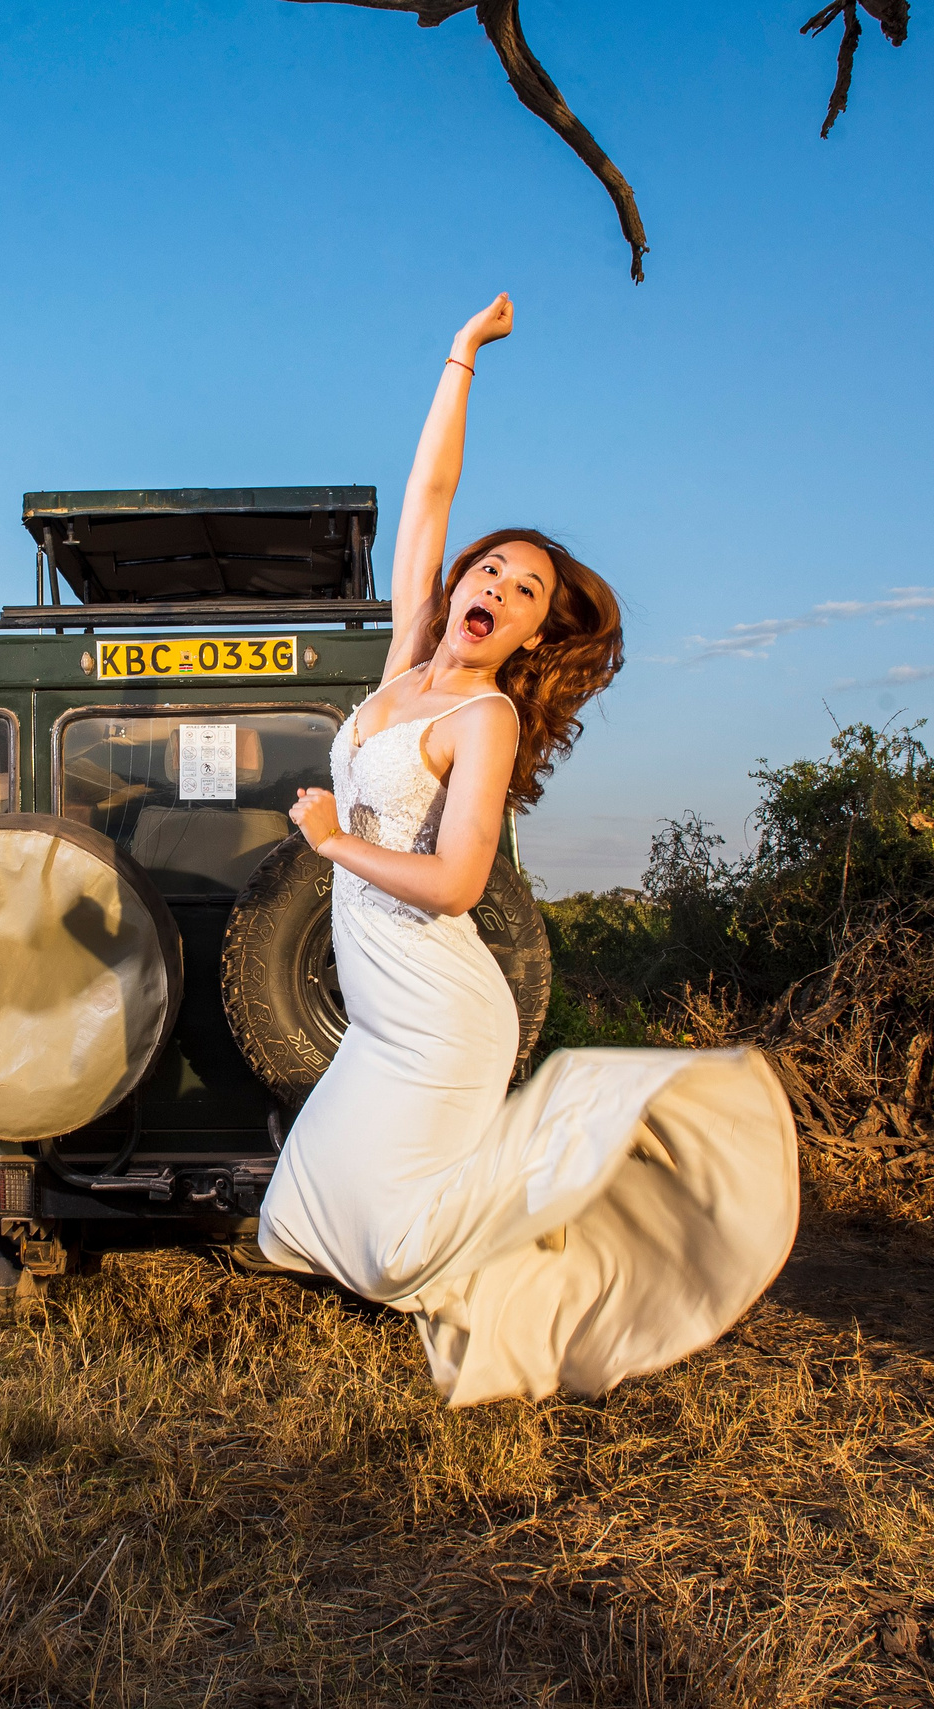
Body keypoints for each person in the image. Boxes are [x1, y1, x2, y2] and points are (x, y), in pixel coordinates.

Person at [257, 294, 800, 1406]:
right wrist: (459, 357)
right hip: (378, 1009)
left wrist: (330, 841)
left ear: (537, 632)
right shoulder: (405, 667)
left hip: (442, 1014)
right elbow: (426, 501)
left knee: (398, 1232)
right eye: (487, 570)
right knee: (311, 1198)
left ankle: (573, 1290)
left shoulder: (484, 720)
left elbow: (457, 885)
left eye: (524, 590)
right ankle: (528, 1272)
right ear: (456, 586)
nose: (495, 588)